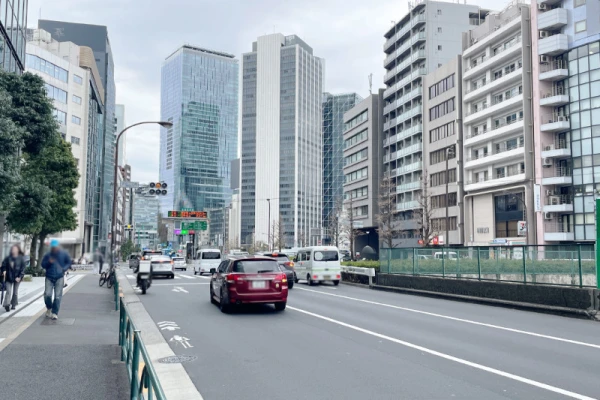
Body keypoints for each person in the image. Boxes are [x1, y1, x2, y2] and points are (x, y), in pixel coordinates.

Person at [41, 240, 72, 320]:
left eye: (55, 247)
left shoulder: (63, 254)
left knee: (58, 296)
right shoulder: (48, 255)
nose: (54, 248)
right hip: (49, 277)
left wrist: (64, 269)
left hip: (59, 277)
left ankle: (55, 313)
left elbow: (68, 262)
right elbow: (43, 265)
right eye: (53, 247)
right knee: (47, 295)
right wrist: (49, 262)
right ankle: (49, 308)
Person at [1, 245, 26, 312]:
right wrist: (3, 270)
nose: (14, 250)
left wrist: (20, 277)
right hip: (9, 277)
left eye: (15, 249)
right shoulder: (8, 258)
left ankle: (13, 304)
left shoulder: (21, 259)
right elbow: (3, 265)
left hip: (17, 277)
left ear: (18, 250)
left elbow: (23, 269)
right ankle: (7, 304)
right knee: (8, 291)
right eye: (13, 249)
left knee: (15, 292)